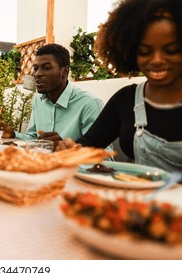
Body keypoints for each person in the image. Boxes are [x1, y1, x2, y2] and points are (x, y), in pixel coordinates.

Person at [57, 0, 182, 172]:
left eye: (171, 50)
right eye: (145, 51)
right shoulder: (126, 99)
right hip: (138, 197)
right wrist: (70, 149)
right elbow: (89, 144)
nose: (157, 60)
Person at [0, 44, 106, 149]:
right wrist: (13, 134)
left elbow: (105, 156)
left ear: (64, 72)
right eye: (36, 68)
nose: (37, 74)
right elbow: (34, 139)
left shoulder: (90, 104)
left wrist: (67, 149)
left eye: (46, 68)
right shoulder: (38, 100)